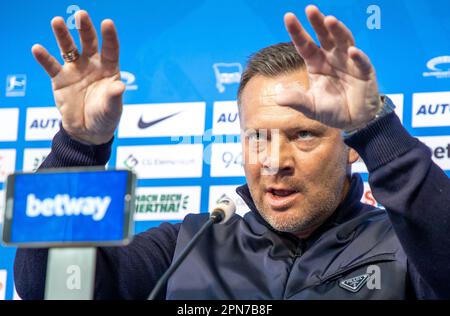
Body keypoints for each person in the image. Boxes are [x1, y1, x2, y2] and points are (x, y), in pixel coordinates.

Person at [14, 5, 450, 299]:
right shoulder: (185, 245)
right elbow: (49, 287)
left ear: (351, 147)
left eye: (303, 135)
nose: (274, 160)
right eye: (257, 136)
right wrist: (80, 148)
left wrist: (376, 130)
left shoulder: (406, 248)